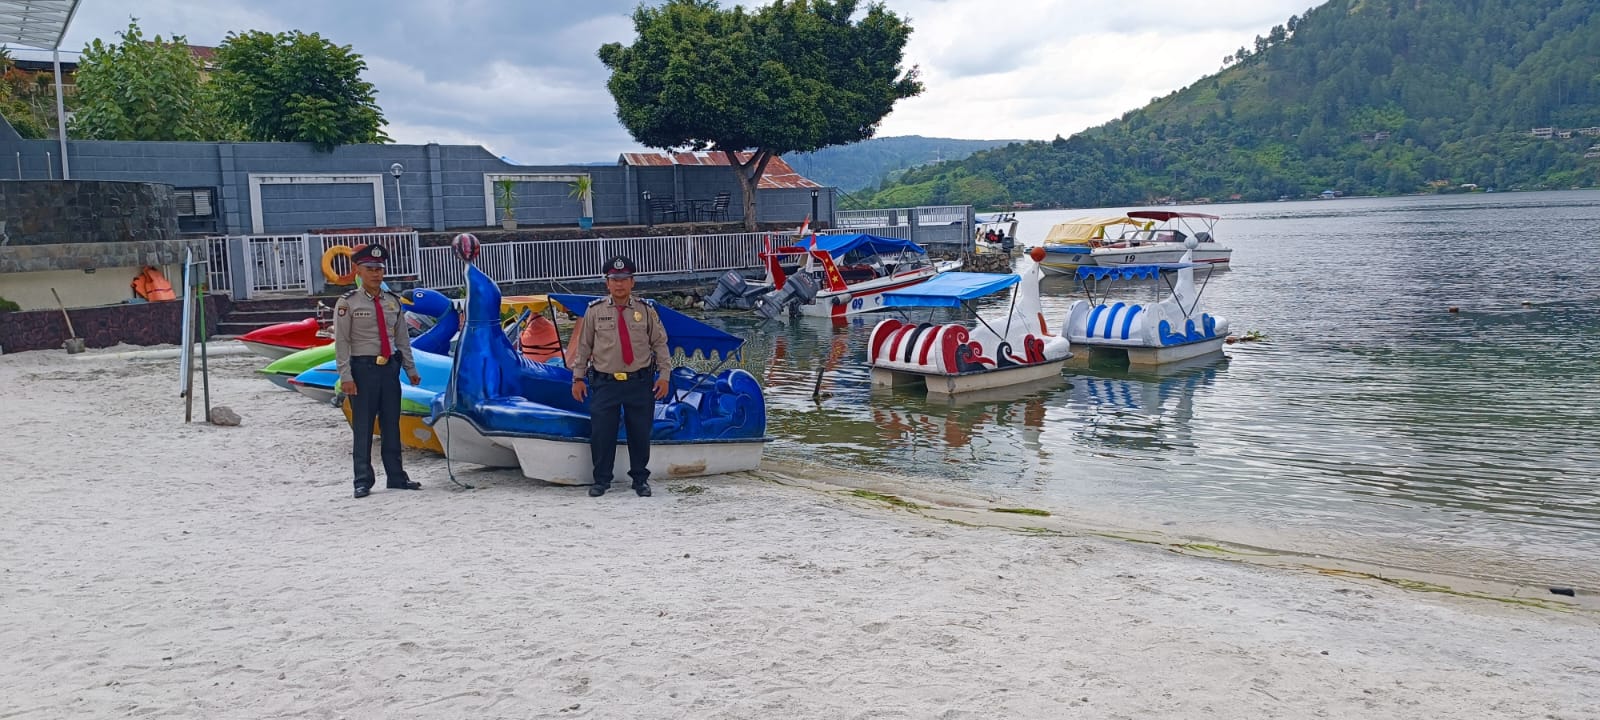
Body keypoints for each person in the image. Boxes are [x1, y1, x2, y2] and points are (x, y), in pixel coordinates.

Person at [568, 255, 671, 498]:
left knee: (640, 432)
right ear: (607, 283)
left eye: (624, 279)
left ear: (632, 282)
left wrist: (664, 375)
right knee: (602, 433)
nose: (619, 284)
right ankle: (602, 480)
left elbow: (660, 344)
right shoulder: (594, 311)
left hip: (639, 382)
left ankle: (640, 480)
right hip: (605, 383)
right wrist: (578, 378)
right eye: (614, 279)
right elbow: (584, 347)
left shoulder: (646, 311)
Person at [333, 243, 423, 499]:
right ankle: (362, 480)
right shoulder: (348, 302)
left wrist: (410, 368)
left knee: (391, 424)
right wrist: (345, 376)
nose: (376, 274)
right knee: (363, 427)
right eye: (370, 268)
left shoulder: (393, 302)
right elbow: (342, 342)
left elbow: (402, 338)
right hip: (362, 369)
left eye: (379, 269)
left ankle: (397, 476)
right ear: (358, 270)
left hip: (389, 369)